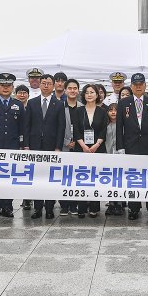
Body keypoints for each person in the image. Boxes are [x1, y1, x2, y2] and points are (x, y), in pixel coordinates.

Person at [116, 73, 148, 220]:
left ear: (145, 85)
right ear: (131, 86)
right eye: (135, 84)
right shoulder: (124, 103)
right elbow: (119, 127)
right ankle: (134, 208)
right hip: (131, 146)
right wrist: (120, 147)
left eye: (141, 84)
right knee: (133, 178)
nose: (138, 86)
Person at [23, 74, 65, 219]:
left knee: (50, 178)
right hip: (34, 145)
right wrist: (26, 145)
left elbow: (61, 127)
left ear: (53, 86)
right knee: (37, 177)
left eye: (48, 83)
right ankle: (37, 208)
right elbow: (26, 126)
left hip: (51, 146)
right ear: (39, 85)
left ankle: (49, 208)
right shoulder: (32, 102)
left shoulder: (59, 104)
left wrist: (58, 147)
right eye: (43, 83)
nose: (46, 85)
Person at [0, 73, 25, 218]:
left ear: (12, 87)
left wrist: (22, 145)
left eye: (8, 86)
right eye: (3, 85)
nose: (5, 88)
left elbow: (22, 128)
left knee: (9, 177)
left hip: (12, 146)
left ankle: (7, 206)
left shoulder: (18, 105)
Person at [72, 84, 108, 218]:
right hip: (81, 148)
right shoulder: (78, 111)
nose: (89, 94)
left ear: (97, 95)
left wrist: (96, 145)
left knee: (95, 178)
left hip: (97, 149)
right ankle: (81, 207)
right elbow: (75, 129)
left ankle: (94, 207)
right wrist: (83, 145)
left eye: (92, 92)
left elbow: (104, 130)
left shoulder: (102, 111)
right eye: (86, 92)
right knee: (82, 178)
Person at [59, 78, 81, 216]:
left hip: (79, 146)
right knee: (64, 176)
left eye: (75, 88)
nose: (72, 91)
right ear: (65, 90)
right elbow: (56, 127)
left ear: (78, 90)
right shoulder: (59, 106)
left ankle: (74, 205)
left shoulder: (83, 106)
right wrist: (66, 141)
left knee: (76, 175)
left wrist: (78, 141)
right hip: (64, 146)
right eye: (70, 88)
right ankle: (64, 205)